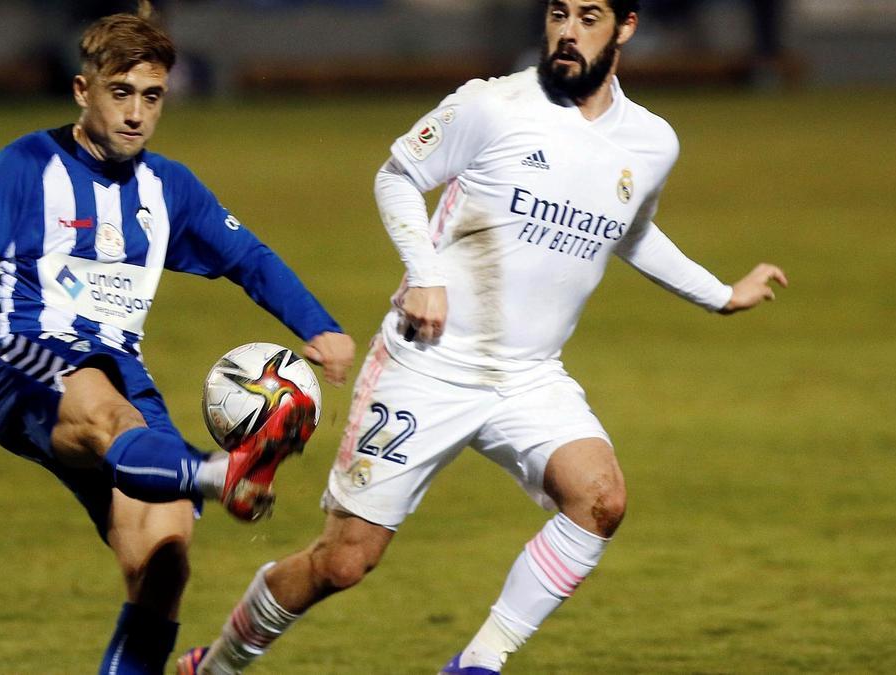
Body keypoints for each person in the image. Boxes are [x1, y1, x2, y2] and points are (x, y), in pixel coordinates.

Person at [177, 1, 788, 673]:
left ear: (627, 27)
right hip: (428, 363)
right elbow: (398, 175)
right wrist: (425, 272)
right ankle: (219, 664)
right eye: (560, 13)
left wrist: (721, 294)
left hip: (530, 374)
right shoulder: (492, 105)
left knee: (601, 498)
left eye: (590, 17)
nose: (569, 31)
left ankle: (478, 662)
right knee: (344, 561)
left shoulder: (650, 142)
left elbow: (632, 230)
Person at [0, 3, 355, 673]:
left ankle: (198, 490)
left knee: (164, 554)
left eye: (151, 96)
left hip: (118, 368)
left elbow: (249, 258)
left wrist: (320, 327)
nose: (135, 113)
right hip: (23, 355)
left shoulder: (167, 188)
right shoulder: (24, 167)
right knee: (111, 414)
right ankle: (218, 471)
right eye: (120, 93)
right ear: (82, 90)